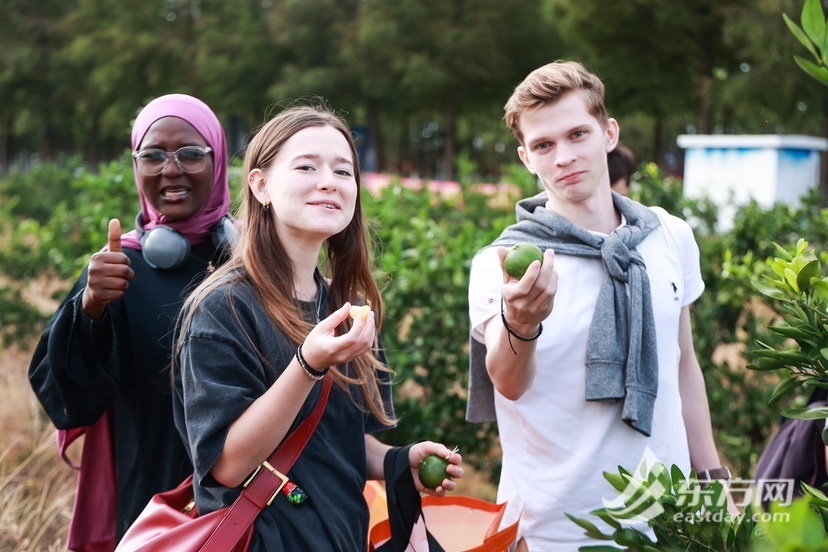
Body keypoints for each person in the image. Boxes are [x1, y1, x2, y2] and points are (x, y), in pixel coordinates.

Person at [465, 61, 732, 550]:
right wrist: (521, 321)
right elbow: (508, 382)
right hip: (555, 528)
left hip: (665, 521)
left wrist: (713, 482)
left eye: (577, 135)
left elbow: (683, 364)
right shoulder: (503, 262)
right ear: (527, 158)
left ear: (608, 134)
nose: (563, 156)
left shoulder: (669, 235)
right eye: (544, 145)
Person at [172, 103, 463, 550]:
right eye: (307, 166)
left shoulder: (348, 309)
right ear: (261, 184)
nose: (329, 181)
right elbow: (226, 466)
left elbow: (336, 441)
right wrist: (307, 365)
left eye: (344, 171)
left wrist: (398, 461)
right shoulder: (223, 309)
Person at [29, 93, 236, 550]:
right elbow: (66, 397)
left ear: (218, 159)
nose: (171, 169)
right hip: (153, 503)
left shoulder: (253, 262)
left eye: (190, 153)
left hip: (251, 503)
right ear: (136, 165)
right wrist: (91, 308)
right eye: (153, 155)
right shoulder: (117, 268)